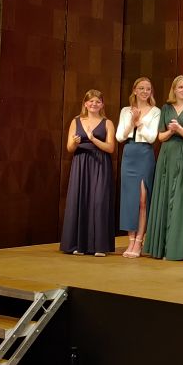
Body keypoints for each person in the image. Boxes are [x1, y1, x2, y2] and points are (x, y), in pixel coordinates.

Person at [144, 75, 183, 260]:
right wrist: (170, 131)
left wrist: (179, 129)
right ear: (174, 89)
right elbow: (160, 137)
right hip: (167, 155)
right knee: (165, 195)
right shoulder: (166, 109)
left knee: (181, 198)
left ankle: (178, 249)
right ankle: (162, 247)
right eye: (180, 87)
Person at [60, 89, 116, 255]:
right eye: (91, 101)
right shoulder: (76, 121)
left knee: (99, 201)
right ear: (85, 103)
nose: (94, 104)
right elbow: (69, 148)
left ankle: (99, 246)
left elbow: (110, 148)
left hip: (100, 163)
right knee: (80, 199)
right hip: (81, 163)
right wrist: (75, 143)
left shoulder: (107, 123)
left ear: (102, 105)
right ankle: (78, 245)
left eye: (98, 101)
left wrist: (93, 139)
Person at [116, 77, 161, 258]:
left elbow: (152, 137)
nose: (144, 91)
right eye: (141, 88)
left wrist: (139, 123)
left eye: (148, 89)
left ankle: (139, 241)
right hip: (129, 152)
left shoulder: (155, 111)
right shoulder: (125, 110)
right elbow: (120, 136)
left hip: (144, 153)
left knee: (142, 199)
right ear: (135, 90)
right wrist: (131, 122)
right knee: (130, 199)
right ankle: (131, 240)